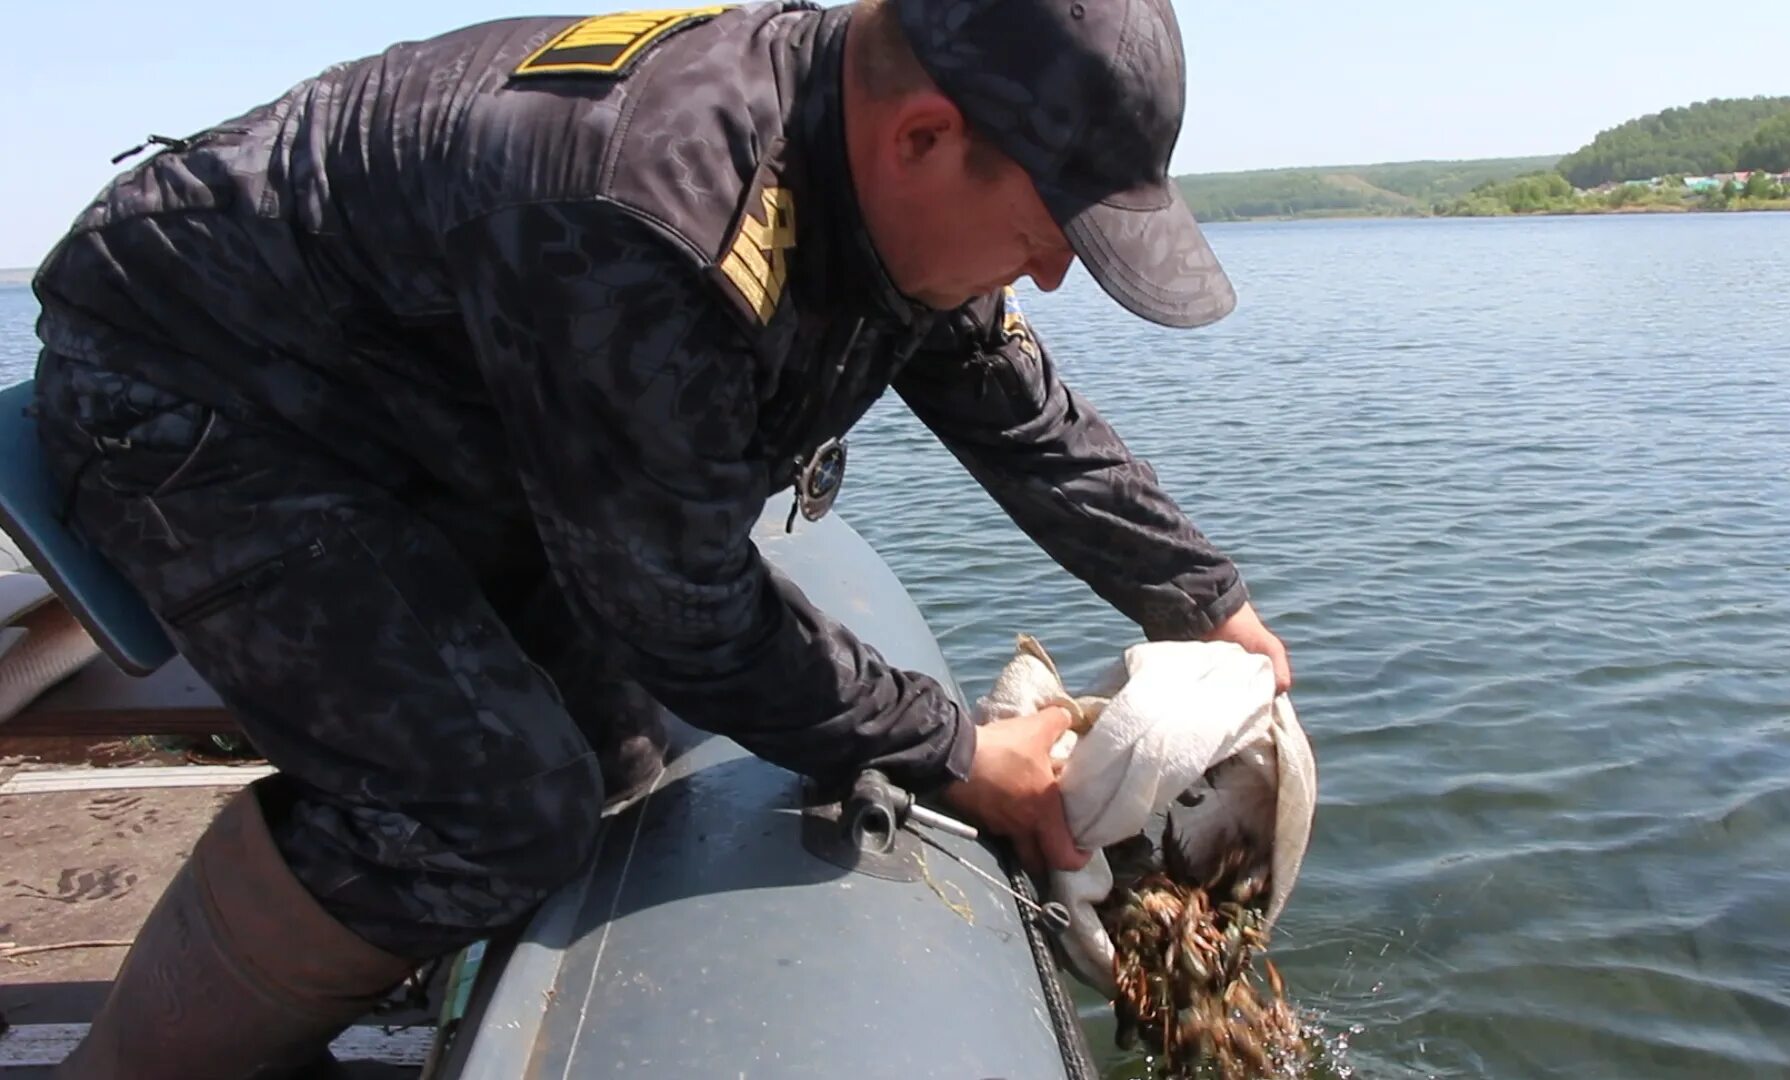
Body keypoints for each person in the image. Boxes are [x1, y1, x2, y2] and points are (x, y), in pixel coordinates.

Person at [29, 0, 1292, 1075]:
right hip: (199, 392)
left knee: (619, 746)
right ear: (923, 138)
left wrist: (1205, 602)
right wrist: (961, 752)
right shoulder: (659, 218)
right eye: (1045, 235)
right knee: (497, 805)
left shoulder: (869, 163)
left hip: (417, 385)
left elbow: (1011, 404)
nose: (1056, 275)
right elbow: (679, 604)